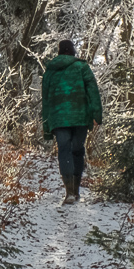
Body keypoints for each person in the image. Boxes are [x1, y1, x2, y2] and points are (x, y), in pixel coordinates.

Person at [40, 39, 102, 204]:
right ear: (73, 52)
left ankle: (69, 192)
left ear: (59, 53)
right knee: (77, 150)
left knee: (64, 151)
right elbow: (93, 91)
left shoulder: (50, 72)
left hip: (58, 118)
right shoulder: (82, 67)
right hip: (80, 117)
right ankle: (75, 189)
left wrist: (46, 126)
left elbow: (45, 101)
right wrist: (97, 115)